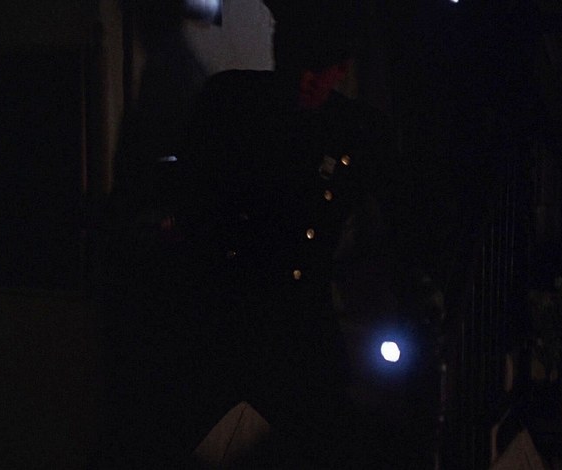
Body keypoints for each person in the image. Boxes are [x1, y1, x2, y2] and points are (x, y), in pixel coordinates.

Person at [100, 1, 436, 467]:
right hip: (223, 312)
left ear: (340, 69)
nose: (304, 80)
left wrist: (416, 302)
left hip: (301, 321)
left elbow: (405, 221)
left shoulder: (358, 131)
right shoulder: (230, 100)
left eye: (320, 68)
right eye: (295, 61)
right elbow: (187, 193)